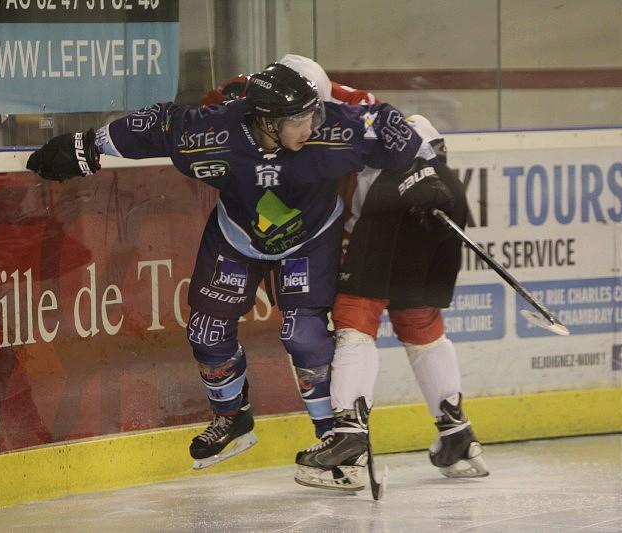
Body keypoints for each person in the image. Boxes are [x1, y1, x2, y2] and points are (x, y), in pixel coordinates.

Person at [26, 61, 454, 470]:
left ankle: (334, 441)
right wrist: (86, 146)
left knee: (304, 335)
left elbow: (389, 124)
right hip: (238, 236)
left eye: (313, 115)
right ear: (266, 121)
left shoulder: (332, 127)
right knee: (206, 332)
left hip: (310, 238)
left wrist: (427, 175)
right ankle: (232, 417)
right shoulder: (214, 131)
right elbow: (158, 125)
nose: (310, 127)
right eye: (298, 121)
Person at [260, 56, 490, 492]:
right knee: (419, 319)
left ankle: (348, 444)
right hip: (440, 199)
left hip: (392, 208)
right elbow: (424, 140)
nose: (304, 124)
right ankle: (458, 438)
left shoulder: (329, 116)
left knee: (355, 315)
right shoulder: (348, 103)